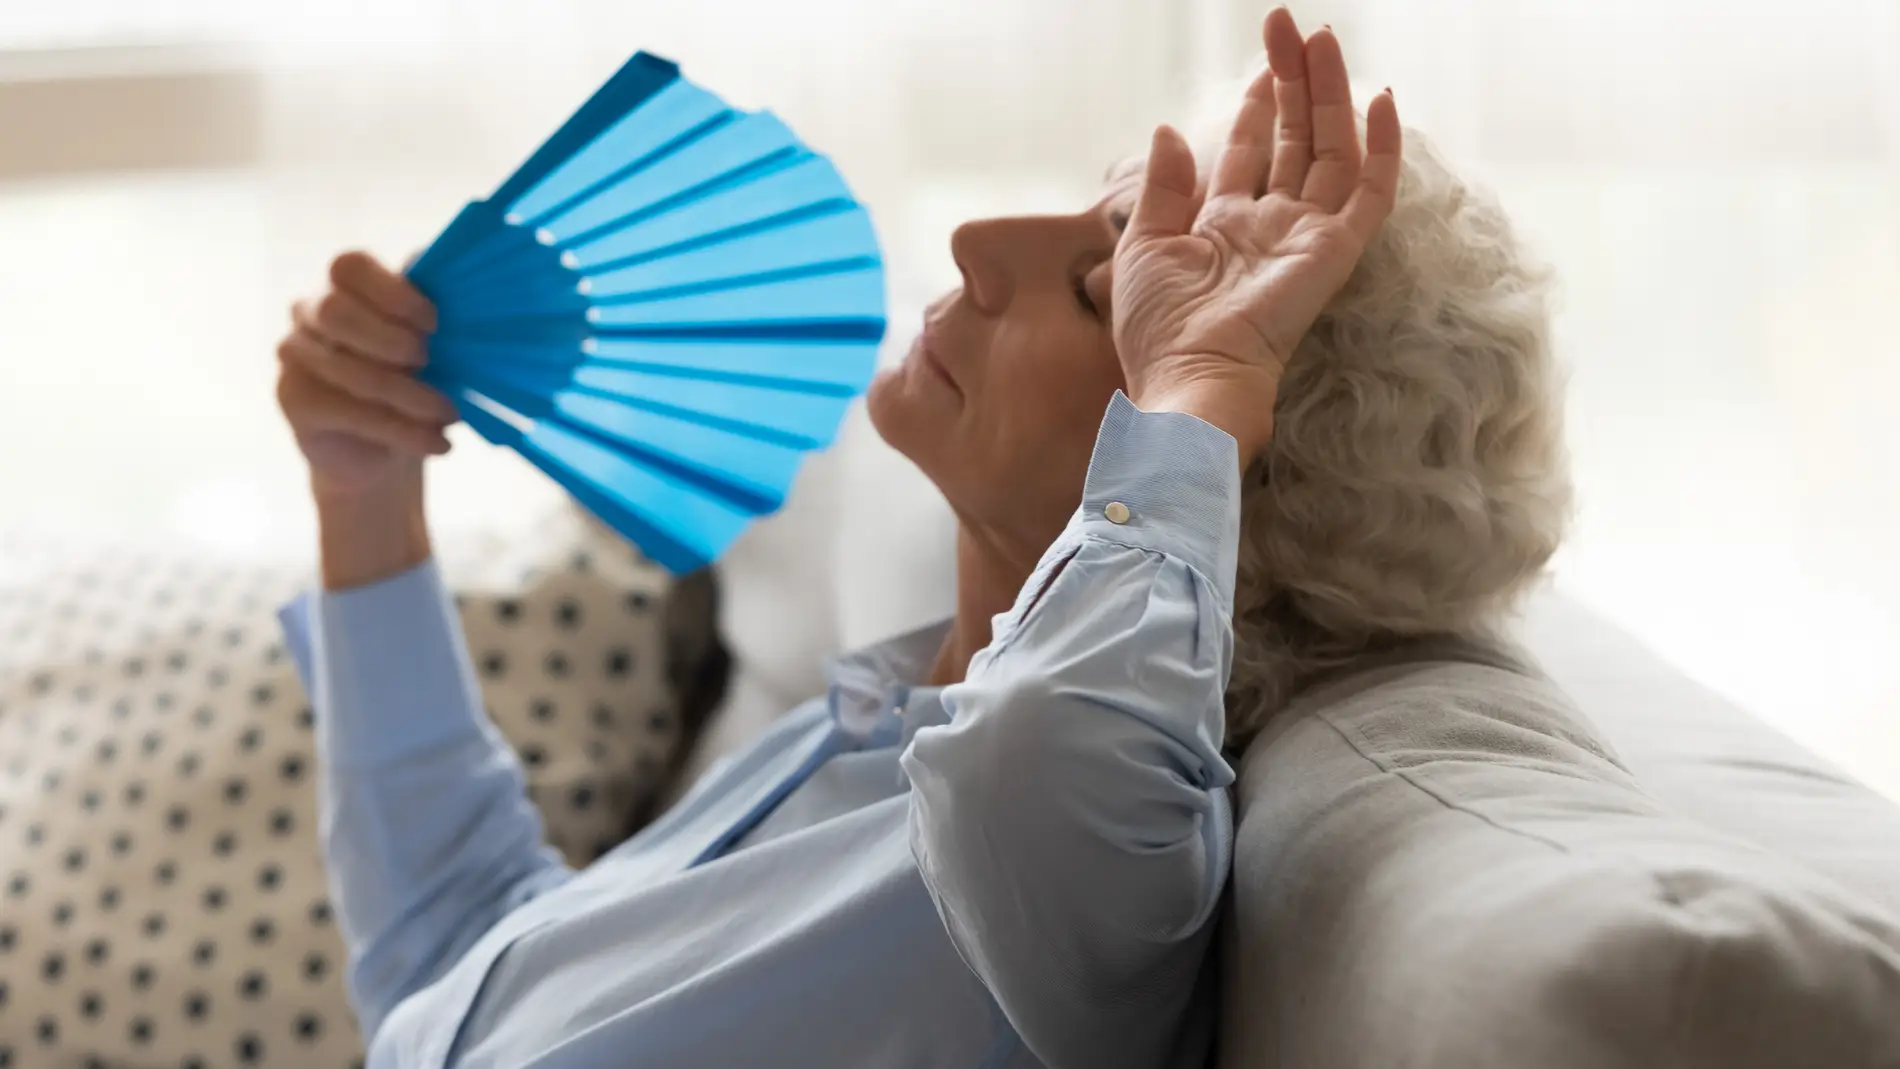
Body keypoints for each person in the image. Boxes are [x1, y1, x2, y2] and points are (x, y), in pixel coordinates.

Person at [273, 8, 1568, 1068]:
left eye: (1099, 289)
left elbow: (1050, 744)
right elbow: (451, 975)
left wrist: (1202, 393)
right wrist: (366, 492)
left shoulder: (1075, 870)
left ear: (1221, 478)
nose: (974, 243)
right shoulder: (880, 718)